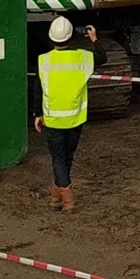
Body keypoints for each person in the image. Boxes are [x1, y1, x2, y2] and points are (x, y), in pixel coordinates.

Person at [37, 14, 97, 211]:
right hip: (75, 118)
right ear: (70, 37)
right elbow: (102, 57)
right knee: (67, 157)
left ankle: (67, 199)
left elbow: (41, 88)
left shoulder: (44, 60)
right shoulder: (82, 57)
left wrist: (38, 113)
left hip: (53, 119)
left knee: (58, 159)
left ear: (51, 37)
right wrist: (94, 39)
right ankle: (56, 196)